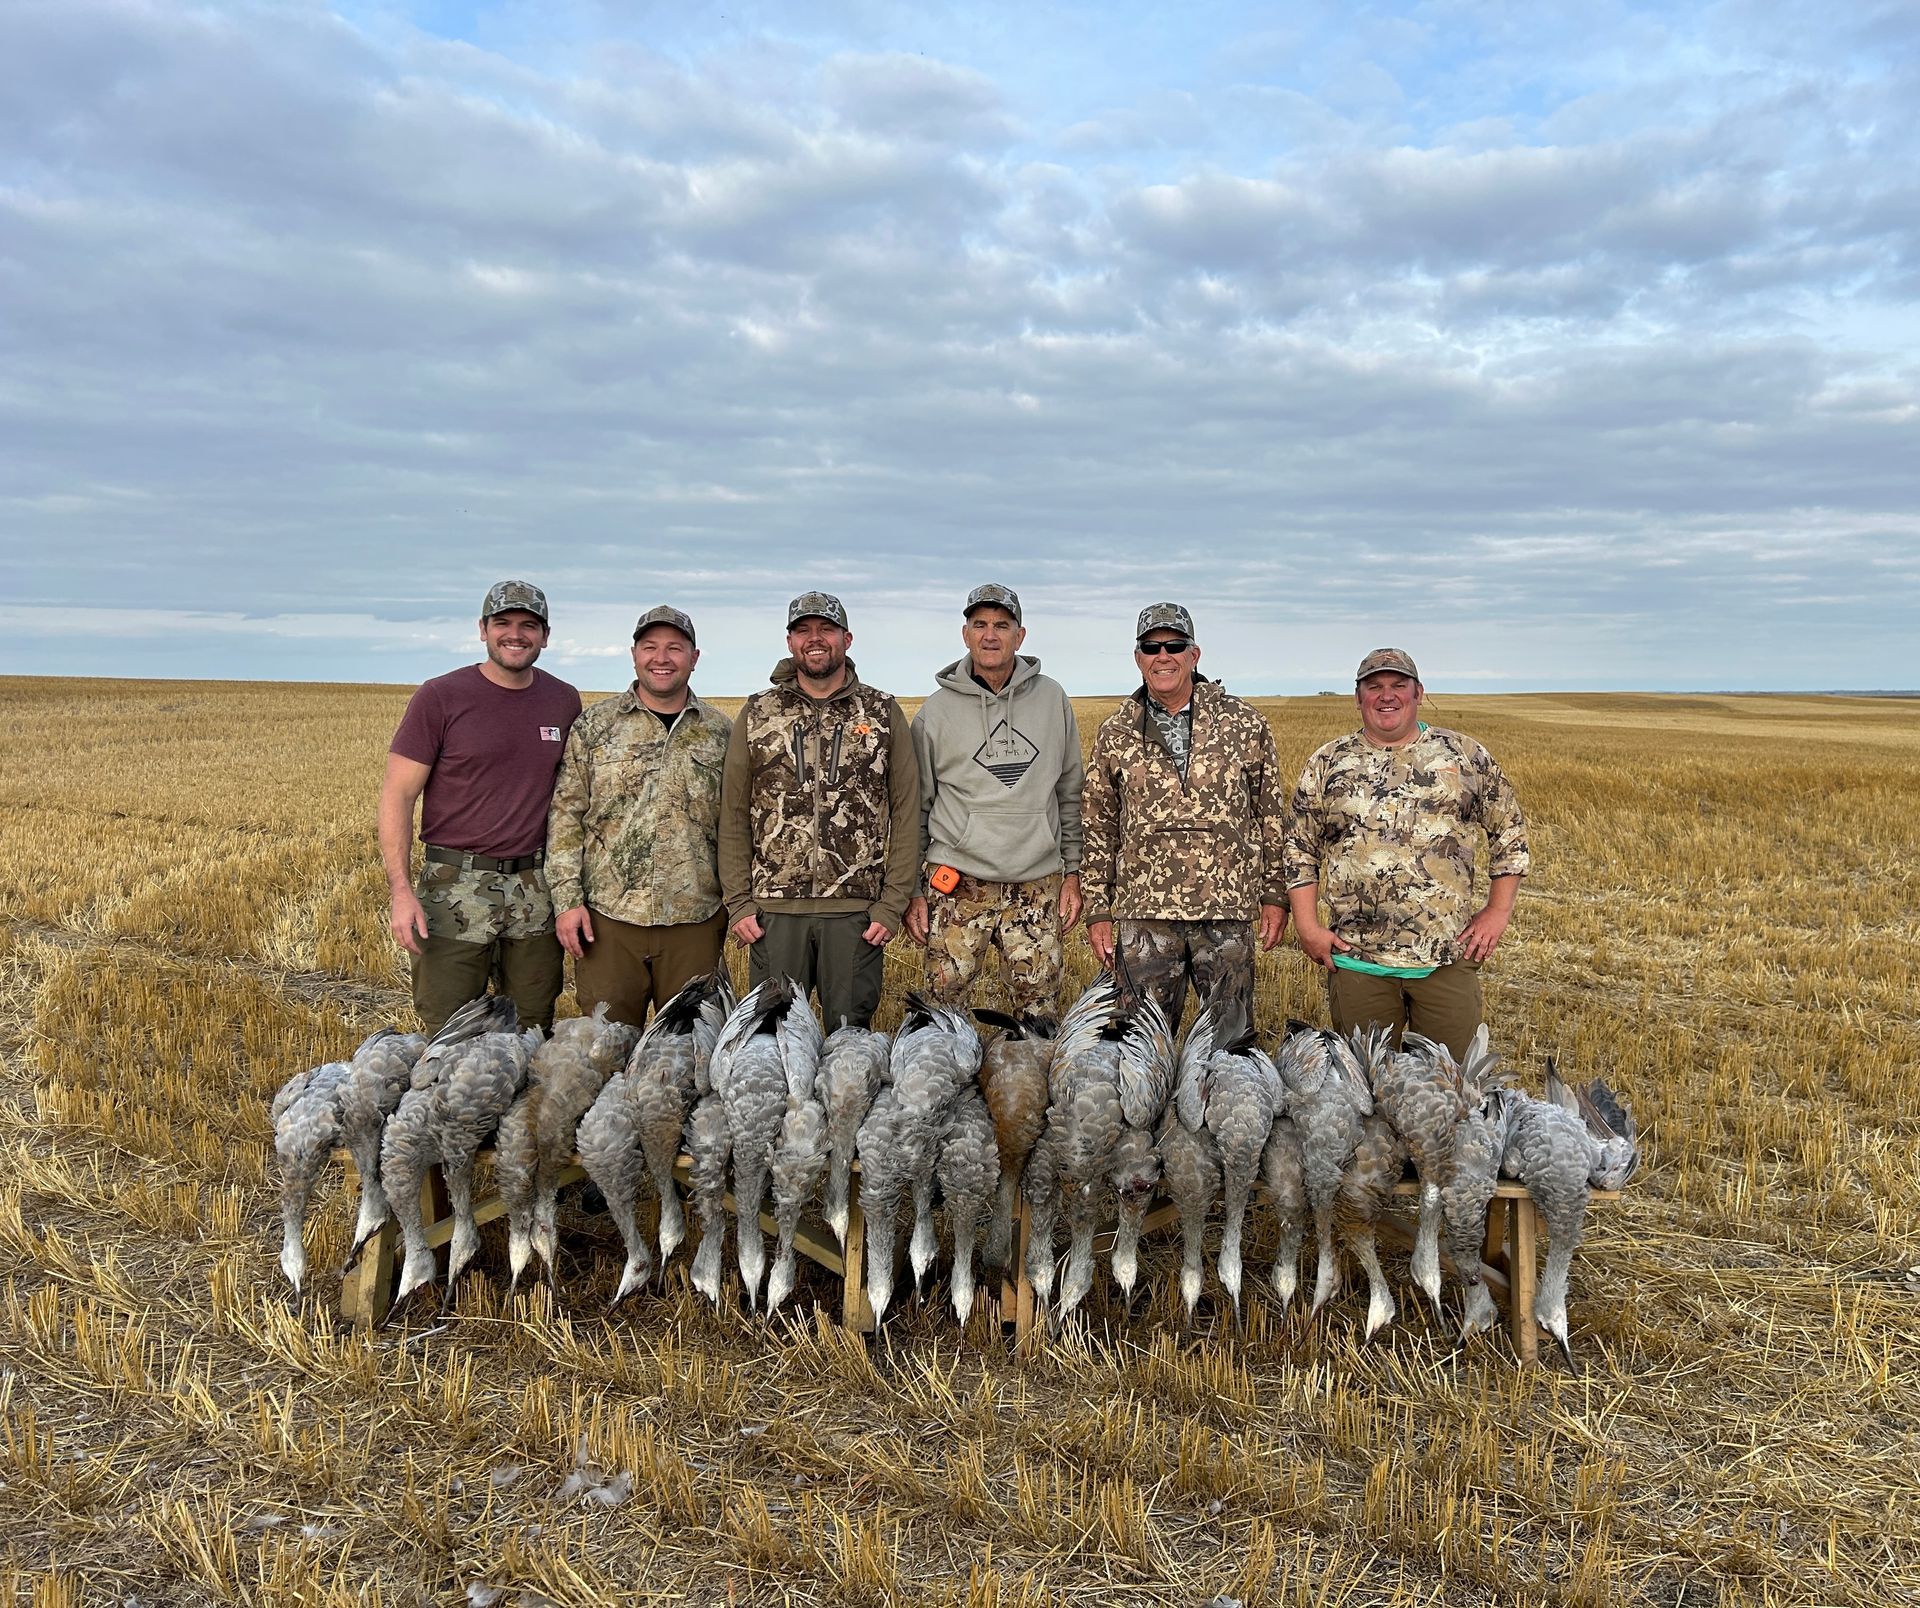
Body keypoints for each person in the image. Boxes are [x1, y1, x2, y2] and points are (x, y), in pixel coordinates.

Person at [1285, 647, 1530, 1058]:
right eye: (1374, 686)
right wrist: (1308, 929)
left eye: (1399, 686)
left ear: (1418, 693)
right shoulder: (1329, 762)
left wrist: (1498, 912)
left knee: (1446, 1091)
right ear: (1358, 697)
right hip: (1358, 962)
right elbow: (1298, 848)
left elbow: (1509, 833)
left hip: (1445, 960)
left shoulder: (1464, 756)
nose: (1387, 696)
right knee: (1366, 1091)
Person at [380, 580, 582, 1033]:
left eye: (529, 625)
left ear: (545, 636)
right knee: (448, 1029)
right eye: (503, 623)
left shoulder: (563, 700)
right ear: (483, 629)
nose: (516, 634)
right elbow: (398, 795)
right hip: (454, 887)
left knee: (531, 1027)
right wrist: (401, 890)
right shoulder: (441, 697)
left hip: (535, 889)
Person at [718, 591, 918, 1030]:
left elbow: (906, 814)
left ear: (846, 639)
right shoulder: (758, 713)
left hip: (854, 914)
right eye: (803, 630)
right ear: (790, 642)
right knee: (771, 1039)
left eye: (826, 629)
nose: (815, 639)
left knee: (849, 1039)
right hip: (774, 914)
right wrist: (739, 903)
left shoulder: (882, 712)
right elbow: (733, 814)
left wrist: (891, 904)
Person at [1081, 603, 1287, 1028]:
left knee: (1228, 1046)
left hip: (1225, 912)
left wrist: (1274, 895)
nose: (1163, 656)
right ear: (1138, 658)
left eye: (1175, 645)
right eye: (1151, 647)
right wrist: (1098, 909)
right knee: (1141, 1047)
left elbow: (1270, 815)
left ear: (1194, 655)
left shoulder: (1244, 723)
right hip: (1145, 915)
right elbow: (1098, 825)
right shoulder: (1115, 732)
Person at [545, 606, 733, 1027]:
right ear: (633, 654)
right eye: (650, 647)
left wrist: (736, 905)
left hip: (695, 922)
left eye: (674, 648)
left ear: (695, 657)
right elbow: (566, 817)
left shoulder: (722, 732)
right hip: (609, 922)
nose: (661, 658)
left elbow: (738, 827)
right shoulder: (595, 726)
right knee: (604, 1051)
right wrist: (567, 901)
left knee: (687, 1054)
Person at [904, 584, 1085, 1016]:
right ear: (965, 634)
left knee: (1038, 1015)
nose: (991, 635)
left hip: (1036, 885)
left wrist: (1074, 871)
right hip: (958, 884)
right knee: (941, 1013)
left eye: (1002, 625)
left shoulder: (1052, 699)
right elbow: (916, 809)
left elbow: (1070, 792)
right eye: (980, 624)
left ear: (1020, 636)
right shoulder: (936, 712)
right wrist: (912, 889)